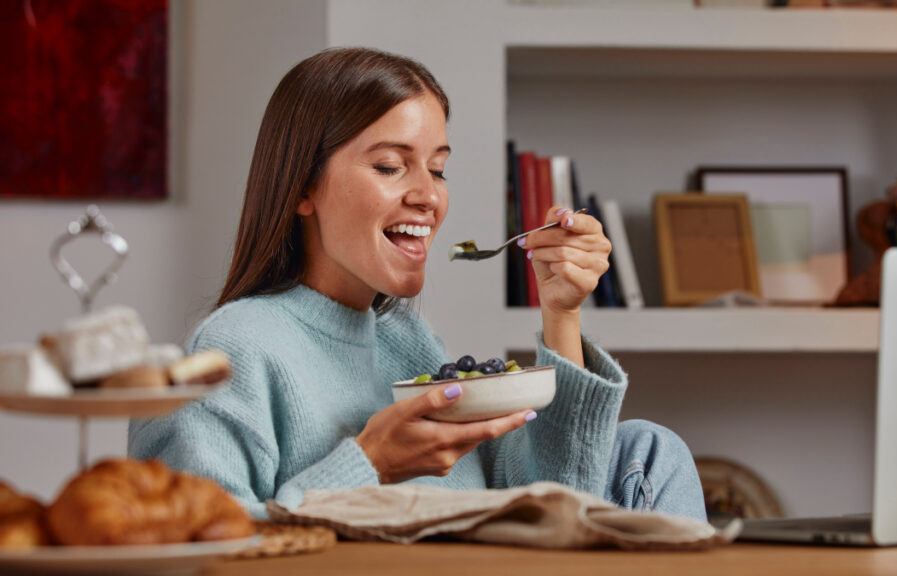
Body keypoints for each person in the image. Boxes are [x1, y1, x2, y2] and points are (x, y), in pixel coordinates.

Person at [128, 47, 706, 521]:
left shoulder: (406, 341)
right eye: (389, 166)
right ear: (302, 188)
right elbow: (201, 549)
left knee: (648, 450)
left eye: (437, 168)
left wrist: (562, 313)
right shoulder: (233, 351)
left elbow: (557, 500)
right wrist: (369, 465)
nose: (428, 196)